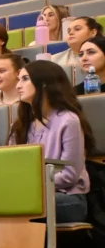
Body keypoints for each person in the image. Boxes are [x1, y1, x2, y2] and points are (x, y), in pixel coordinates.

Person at [11, 61, 95, 222]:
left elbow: (69, 176)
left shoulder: (68, 120)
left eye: (25, 79)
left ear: (43, 83)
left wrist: (31, 185)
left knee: (14, 204)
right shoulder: (21, 123)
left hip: (69, 198)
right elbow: (13, 167)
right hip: (31, 194)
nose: (18, 86)